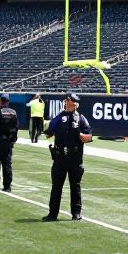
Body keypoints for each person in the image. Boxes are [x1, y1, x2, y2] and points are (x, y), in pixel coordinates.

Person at [43, 92, 92, 221]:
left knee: (75, 186)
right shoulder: (59, 117)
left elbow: (89, 136)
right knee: (56, 186)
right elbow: (48, 134)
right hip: (60, 157)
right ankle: (53, 213)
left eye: (71, 100)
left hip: (75, 157)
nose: (69, 101)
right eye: (68, 100)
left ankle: (76, 213)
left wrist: (82, 136)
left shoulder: (81, 118)